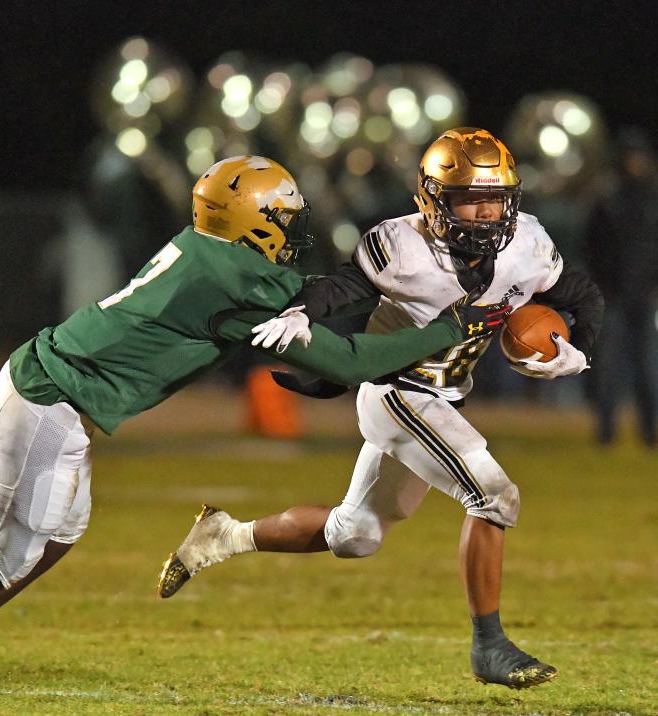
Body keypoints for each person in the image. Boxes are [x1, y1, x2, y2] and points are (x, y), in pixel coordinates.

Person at [0, 155, 510, 695]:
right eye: (282, 217)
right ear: (253, 222)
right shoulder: (239, 279)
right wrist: (448, 327)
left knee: (57, 538)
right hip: (55, 398)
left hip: (56, 386)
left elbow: (309, 304)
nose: (294, 225)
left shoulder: (214, 257)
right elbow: (345, 365)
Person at [158, 129, 604, 690]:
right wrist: (302, 314)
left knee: (355, 534)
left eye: (497, 198)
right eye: (471, 198)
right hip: (398, 394)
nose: (487, 213)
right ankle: (489, 645)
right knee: (495, 496)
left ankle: (223, 536)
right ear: (432, 199)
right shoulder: (402, 246)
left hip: (442, 398)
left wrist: (578, 353)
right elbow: (340, 288)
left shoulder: (527, 245)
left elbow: (582, 296)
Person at [584, 127, 658, 447]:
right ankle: (606, 429)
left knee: (648, 365)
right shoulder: (607, 201)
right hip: (612, 295)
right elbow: (593, 247)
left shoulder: (653, 200)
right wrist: (602, 285)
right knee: (609, 366)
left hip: (646, 295)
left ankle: (649, 430)